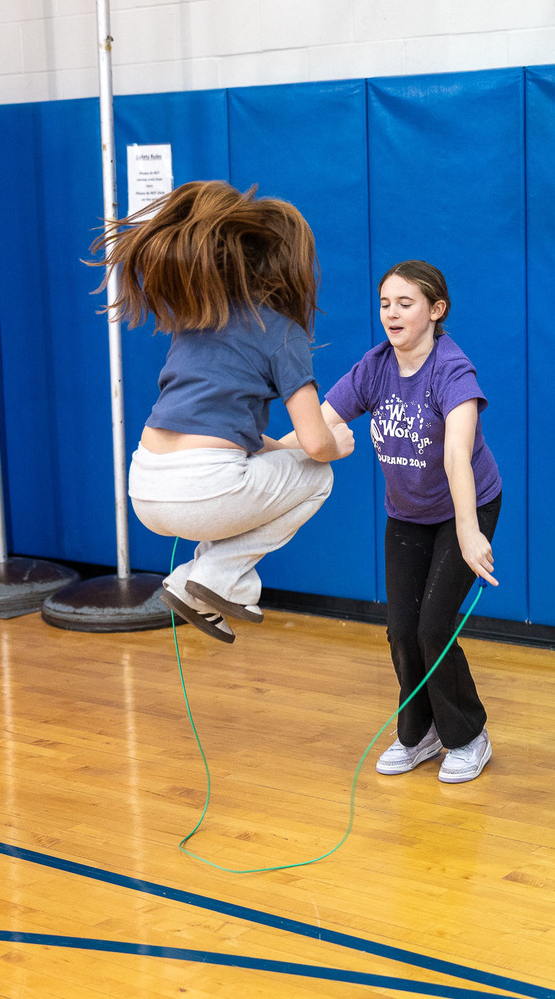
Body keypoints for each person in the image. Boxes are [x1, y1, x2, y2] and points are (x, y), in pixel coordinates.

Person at [91, 180, 354, 645]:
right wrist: (337, 445)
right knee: (320, 476)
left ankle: (198, 580)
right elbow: (315, 444)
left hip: (145, 487)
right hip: (206, 489)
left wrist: (284, 449)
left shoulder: (196, 320)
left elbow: (230, 436)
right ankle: (210, 576)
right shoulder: (282, 331)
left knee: (260, 468)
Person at [320, 260, 502, 783]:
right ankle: (419, 732)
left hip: (466, 508)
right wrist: (263, 453)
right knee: (402, 631)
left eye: (405, 303)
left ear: (435, 310)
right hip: (408, 514)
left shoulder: (452, 370)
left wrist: (469, 531)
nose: (391, 314)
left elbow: (457, 455)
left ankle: (468, 736)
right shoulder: (375, 366)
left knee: (433, 628)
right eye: (384, 304)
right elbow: (320, 426)